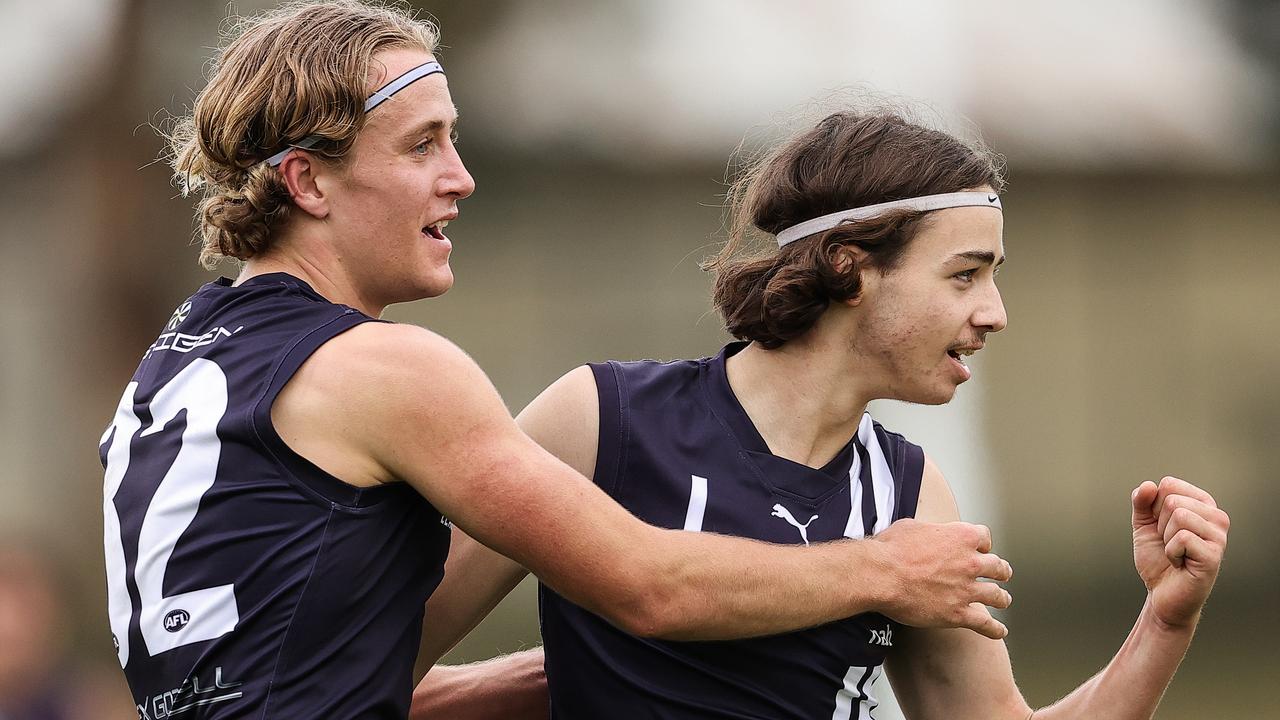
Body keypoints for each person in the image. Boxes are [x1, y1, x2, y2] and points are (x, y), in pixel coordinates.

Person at [98, 3, 1019, 718]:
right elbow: (650, 585)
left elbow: (316, 681)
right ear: (307, 181)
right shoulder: (386, 371)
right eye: (423, 144)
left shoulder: (174, 364)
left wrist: (570, 671)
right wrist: (886, 571)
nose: (460, 175)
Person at [410, 111, 1230, 719]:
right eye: (965, 275)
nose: (995, 312)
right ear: (852, 267)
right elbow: (373, 664)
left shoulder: (911, 496)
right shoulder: (601, 420)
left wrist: (1165, 618)